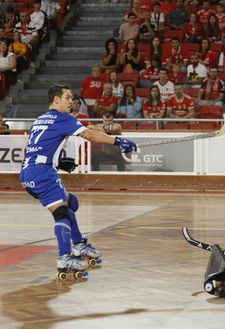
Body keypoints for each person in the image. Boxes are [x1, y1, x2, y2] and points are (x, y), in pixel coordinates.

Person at [19, 85, 137, 276]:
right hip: (42, 173)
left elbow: (41, 146)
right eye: (67, 98)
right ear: (56, 100)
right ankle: (65, 257)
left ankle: (80, 245)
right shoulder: (62, 118)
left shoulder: (41, 119)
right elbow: (89, 135)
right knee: (63, 213)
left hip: (28, 173)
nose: (71, 102)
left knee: (70, 203)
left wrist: (58, 162)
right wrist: (117, 141)